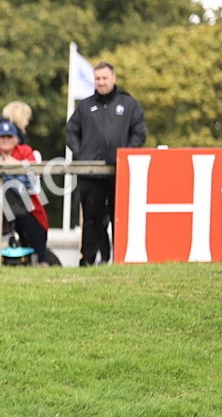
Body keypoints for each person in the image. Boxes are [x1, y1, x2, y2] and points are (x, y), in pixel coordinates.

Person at [66, 61, 146, 265]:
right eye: (98, 79)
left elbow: (139, 133)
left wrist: (126, 154)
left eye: (104, 78)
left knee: (118, 217)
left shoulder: (128, 105)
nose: (101, 82)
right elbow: (71, 131)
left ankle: (119, 258)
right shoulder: (85, 106)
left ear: (113, 78)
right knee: (92, 219)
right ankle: (89, 259)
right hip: (90, 173)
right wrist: (80, 154)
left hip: (119, 172)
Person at [0, 120, 53, 265]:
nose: (6, 140)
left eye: (9, 137)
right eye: (2, 137)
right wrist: (14, 172)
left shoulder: (25, 151)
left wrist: (13, 167)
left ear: (16, 139)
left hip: (23, 199)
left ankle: (41, 261)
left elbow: (31, 180)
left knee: (35, 226)